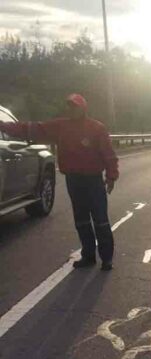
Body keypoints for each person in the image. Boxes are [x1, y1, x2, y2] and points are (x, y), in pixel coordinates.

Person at [0, 94, 119, 270]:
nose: (72, 110)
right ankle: (88, 255)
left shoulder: (96, 128)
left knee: (100, 219)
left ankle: (107, 258)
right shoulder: (60, 126)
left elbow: (109, 155)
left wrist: (111, 176)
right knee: (81, 219)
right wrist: (3, 126)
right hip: (73, 179)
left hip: (93, 181)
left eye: (75, 106)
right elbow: (31, 129)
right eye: (69, 106)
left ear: (83, 109)